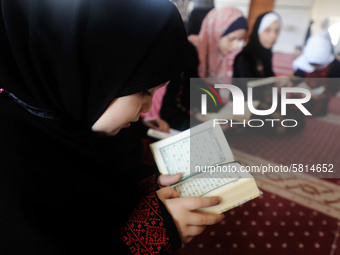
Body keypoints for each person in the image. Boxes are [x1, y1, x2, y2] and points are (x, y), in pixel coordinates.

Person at [0, 0, 224, 254]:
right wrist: (146, 236)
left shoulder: (74, 122)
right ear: (89, 71)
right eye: (143, 91)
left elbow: (99, 183)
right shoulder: (10, 161)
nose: (148, 107)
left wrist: (143, 187)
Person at [160, 7, 248, 130]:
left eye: (240, 40)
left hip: (205, 117)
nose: (235, 47)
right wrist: (202, 124)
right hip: (181, 120)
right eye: (232, 39)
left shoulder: (223, 59)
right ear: (216, 31)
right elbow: (169, 112)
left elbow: (214, 103)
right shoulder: (188, 52)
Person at [233, 11, 281, 92]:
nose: (273, 36)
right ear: (258, 31)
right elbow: (248, 88)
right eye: (267, 30)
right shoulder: (244, 57)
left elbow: (268, 75)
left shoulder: (266, 53)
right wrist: (275, 82)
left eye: (276, 31)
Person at [293, 35, 340, 115]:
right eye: (312, 65)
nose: (315, 68)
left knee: (318, 111)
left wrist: (323, 95)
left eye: (318, 65)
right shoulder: (303, 62)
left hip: (322, 94)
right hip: (304, 92)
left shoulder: (335, 66)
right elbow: (296, 80)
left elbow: (334, 86)